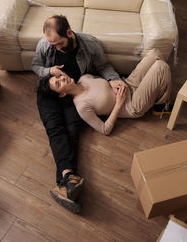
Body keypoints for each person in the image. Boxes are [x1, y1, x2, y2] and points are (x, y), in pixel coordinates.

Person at [32, 15, 125, 213]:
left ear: (69, 32)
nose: (55, 48)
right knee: (55, 129)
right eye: (52, 44)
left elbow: (103, 66)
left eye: (58, 44)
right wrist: (50, 71)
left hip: (74, 93)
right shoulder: (44, 44)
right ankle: (67, 182)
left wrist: (114, 80)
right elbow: (36, 66)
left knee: (72, 131)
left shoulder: (90, 44)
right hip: (49, 92)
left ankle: (65, 183)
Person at [43, 49, 172, 135]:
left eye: (59, 77)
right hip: (132, 104)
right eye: (59, 83)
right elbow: (105, 130)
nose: (63, 78)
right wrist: (118, 104)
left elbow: (106, 82)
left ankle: (158, 90)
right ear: (62, 94)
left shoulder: (84, 77)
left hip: (129, 83)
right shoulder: (82, 106)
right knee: (160, 67)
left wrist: (111, 81)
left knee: (154, 53)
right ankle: (161, 105)